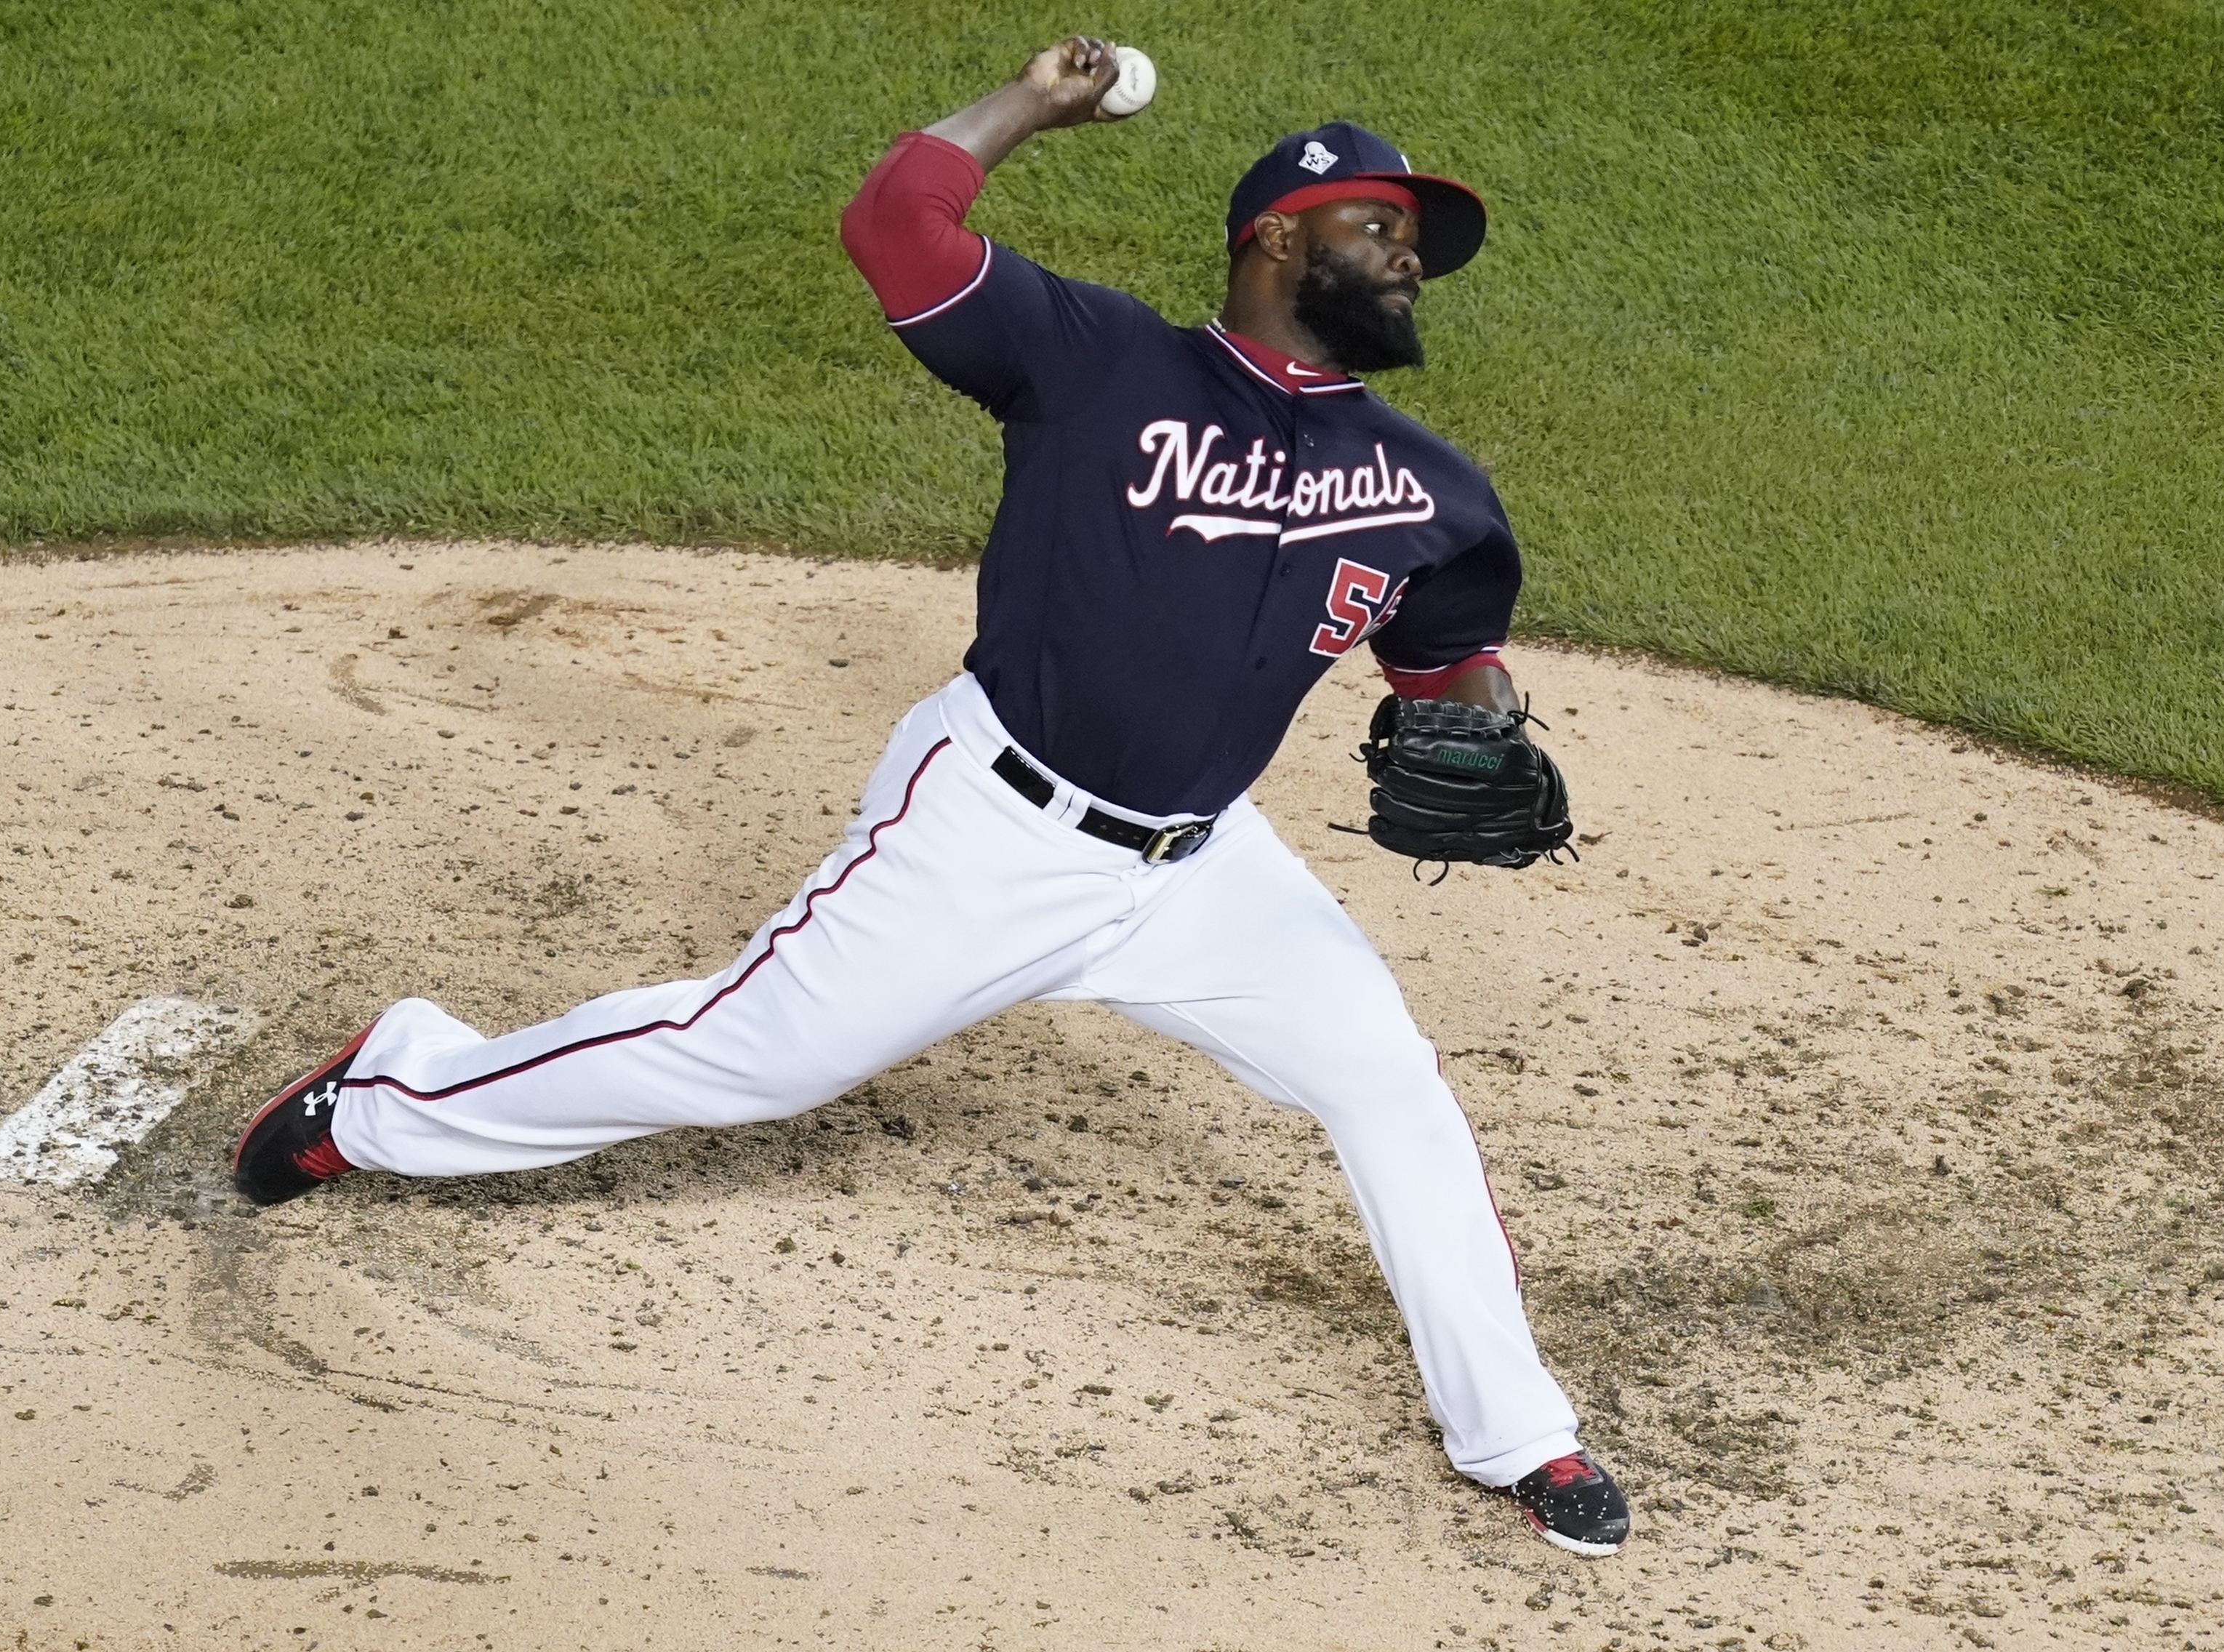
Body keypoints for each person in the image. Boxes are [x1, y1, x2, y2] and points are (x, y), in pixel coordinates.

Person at [230, 36, 1630, 1557]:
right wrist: (1028, 105)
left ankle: (1519, 1433)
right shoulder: (1096, 361)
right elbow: (896, 230)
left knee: (1388, 1088)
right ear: (1275, 236)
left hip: (1204, 869)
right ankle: (382, 1094)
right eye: (1380, 230)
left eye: (1416, 247)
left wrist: (1478, 721)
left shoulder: (1430, 483)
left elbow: (1443, 661)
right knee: (744, 1057)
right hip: (990, 830)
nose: (1407, 262)